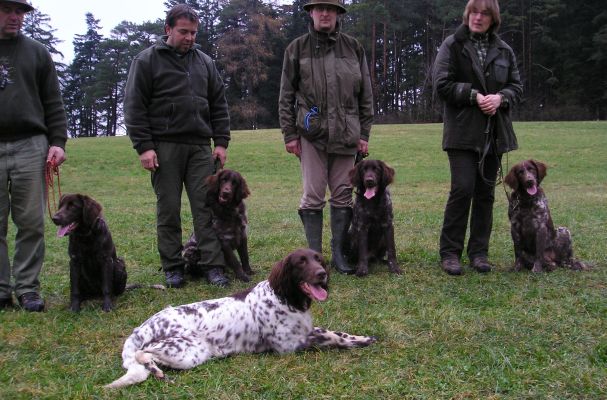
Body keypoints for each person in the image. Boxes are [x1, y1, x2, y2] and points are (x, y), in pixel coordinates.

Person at [124, 4, 231, 288]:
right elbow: (134, 107)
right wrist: (144, 147)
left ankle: (213, 266)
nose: (189, 37)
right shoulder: (146, 61)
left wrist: (220, 142)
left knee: (206, 209)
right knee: (168, 209)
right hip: (164, 147)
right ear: (168, 29)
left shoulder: (205, 62)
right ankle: (173, 266)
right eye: (183, 32)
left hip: (199, 147)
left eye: (194, 33)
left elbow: (218, 104)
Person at [278, 0, 373, 274]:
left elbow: (365, 95)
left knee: (343, 196)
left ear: (338, 14)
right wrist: (290, 135)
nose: (324, 13)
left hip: (347, 135)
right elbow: (285, 96)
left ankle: (340, 255)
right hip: (311, 136)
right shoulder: (296, 48)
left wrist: (364, 133)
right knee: (312, 196)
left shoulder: (354, 47)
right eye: (319, 8)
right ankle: (315, 257)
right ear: (310, 12)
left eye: (330, 9)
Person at [432, 0, 522, 275]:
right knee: (462, 189)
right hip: (461, 132)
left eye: (484, 13)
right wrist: (474, 95)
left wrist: (500, 98)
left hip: (494, 133)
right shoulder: (452, 45)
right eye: (474, 12)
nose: (478, 17)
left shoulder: (504, 50)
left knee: (485, 195)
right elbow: (441, 84)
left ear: (493, 18)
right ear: (467, 14)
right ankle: (450, 254)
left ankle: (479, 253)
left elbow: (516, 87)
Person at [0, 0, 67, 311]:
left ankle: (27, 288)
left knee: (31, 222)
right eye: (7, 10)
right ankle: (1, 290)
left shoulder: (37, 51)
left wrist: (58, 142)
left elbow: (53, 100)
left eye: (20, 12)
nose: (15, 17)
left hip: (31, 144)